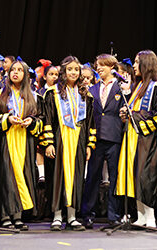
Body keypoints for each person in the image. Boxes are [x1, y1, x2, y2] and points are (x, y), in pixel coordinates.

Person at [0, 60, 42, 230]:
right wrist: (7, 119)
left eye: (19, 70)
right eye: (12, 70)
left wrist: (31, 121)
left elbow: (41, 120)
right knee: (6, 179)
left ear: (25, 74)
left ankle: (18, 217)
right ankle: (4, 216)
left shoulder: (33, 97)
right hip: (5, 142)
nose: (15, 73)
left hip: (25, 142)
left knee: (22, 178)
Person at [42, 56, 96, 231]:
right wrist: (49, 143)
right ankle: (57, 216)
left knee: (77, 177)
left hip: (79, 140)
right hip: (60, 139)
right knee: (58, 177)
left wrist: (89, 145)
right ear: (63, 72)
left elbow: (90, 123)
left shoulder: (85, 95)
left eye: (76, 69)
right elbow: (47, 119)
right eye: (70, 69)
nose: (73, 72)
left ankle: (72, 216)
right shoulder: (53, 93)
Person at [117, 50, 157, 228]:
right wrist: (126, 114)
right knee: (134, 175)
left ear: (147, 65)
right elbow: (135, 112)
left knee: (145, 177)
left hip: (149, 140)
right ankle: (140, 215)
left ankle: (150, 217)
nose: (134, 66)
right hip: (133, 137)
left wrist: (134, 115)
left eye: (137, 62)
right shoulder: (138, 87)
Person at [81, 54, 125, 229]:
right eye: (97, 66)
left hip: (115, 137)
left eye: (102, 66)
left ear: (112, 67)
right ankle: (87, 214)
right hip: (96, 138)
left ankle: (114, 215)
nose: (98, 68)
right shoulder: (92, 89)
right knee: (93, 177)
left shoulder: (122, 88)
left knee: (115, 178)